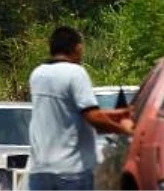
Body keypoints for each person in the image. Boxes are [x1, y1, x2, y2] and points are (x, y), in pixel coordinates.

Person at [28, 26, 133, 191]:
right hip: (71, 170)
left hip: (40, 170)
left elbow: (68, 114)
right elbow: (93, 117)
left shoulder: (38, 75)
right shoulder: (75, 73)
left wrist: (117, 113)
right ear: (76, 48)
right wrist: (124, 130)